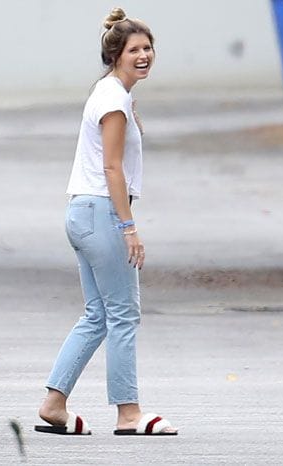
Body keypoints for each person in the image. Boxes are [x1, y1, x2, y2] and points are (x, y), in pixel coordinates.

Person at [35, 7, 177, 436]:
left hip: (82, 211)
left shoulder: (112, 93)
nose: (144, 55)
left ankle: (54, 404)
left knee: (98, 313)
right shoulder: (113, 100)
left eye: (148, 48)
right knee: (122, 314)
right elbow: (113, 169)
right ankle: (129, 413)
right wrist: (128, 227)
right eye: (134, 49)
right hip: (101, 213)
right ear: (116, 54)